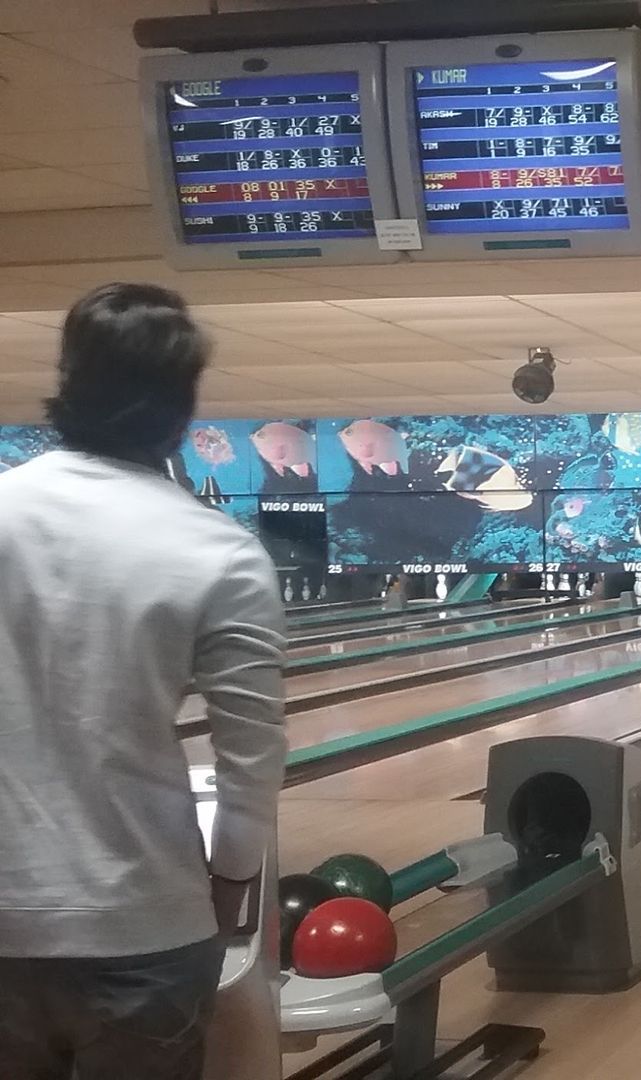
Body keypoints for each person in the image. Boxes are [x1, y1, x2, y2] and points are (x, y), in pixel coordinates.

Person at [0, 284, 289, 1080]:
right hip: (146, 925)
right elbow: (253, 758)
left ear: (68, 379)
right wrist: (230, 884)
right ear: (183, 405)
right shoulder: (218, 551)